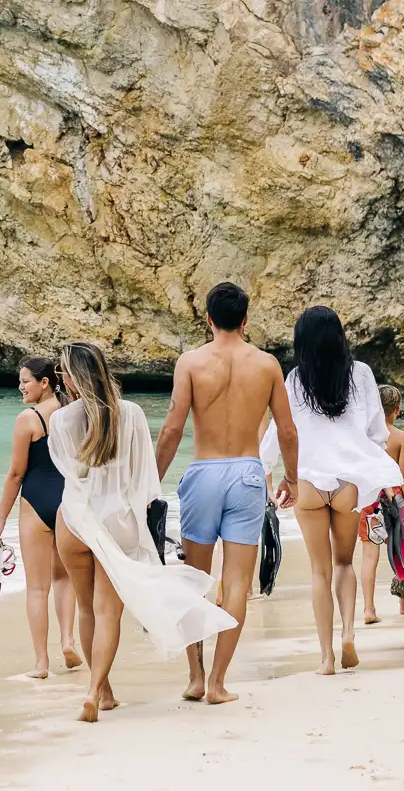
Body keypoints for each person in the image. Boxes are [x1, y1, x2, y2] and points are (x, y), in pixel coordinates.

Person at [50, 341, 236, 724]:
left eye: (62, 373)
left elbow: (69, 475)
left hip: (73, 521)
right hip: (116, 524)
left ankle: (103, 693)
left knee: (85, 609)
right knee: (107, 613)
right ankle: (93, 692)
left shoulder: (60, 420)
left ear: (71, 379)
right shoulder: (131, 414)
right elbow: (146, 484)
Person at [154, 281, 299, 705]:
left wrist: (149, 480)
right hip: (249, 475)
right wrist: (291, 476)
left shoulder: (191, 362)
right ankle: (218, 682)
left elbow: (172, 429)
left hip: (204, 472)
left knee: (193, 581)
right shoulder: (268, 364)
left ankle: (195, 677)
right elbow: (287, 429)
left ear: (208, 319)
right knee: (237, 582)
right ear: (247, 319)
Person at [259, 306, 401, 673]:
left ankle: (325, 658)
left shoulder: (294, 379)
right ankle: (349, 634)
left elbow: (281, 432)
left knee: (318, 571)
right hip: (349, 483)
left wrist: (271, 472)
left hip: (308, 480)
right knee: (343, 563)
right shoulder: (362, 374)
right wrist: (375, 472)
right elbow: (376, 431)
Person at [0, 355, 80, 678]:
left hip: (36, 502)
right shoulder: (73, 411)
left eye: (25, 381)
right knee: (65, 577)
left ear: (44, 383)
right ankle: (68, 640)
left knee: (37, 588)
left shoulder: (29, 419)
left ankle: (41, 663)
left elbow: (16, 474)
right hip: (69, 502)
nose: (20, 387)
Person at [360, 383, 404, 622]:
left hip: (368, 500)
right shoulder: (401, 438)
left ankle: (369, 609)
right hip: (394, 500)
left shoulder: (363, 438)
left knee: (369, 556)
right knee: (400, 548)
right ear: (398, 409)